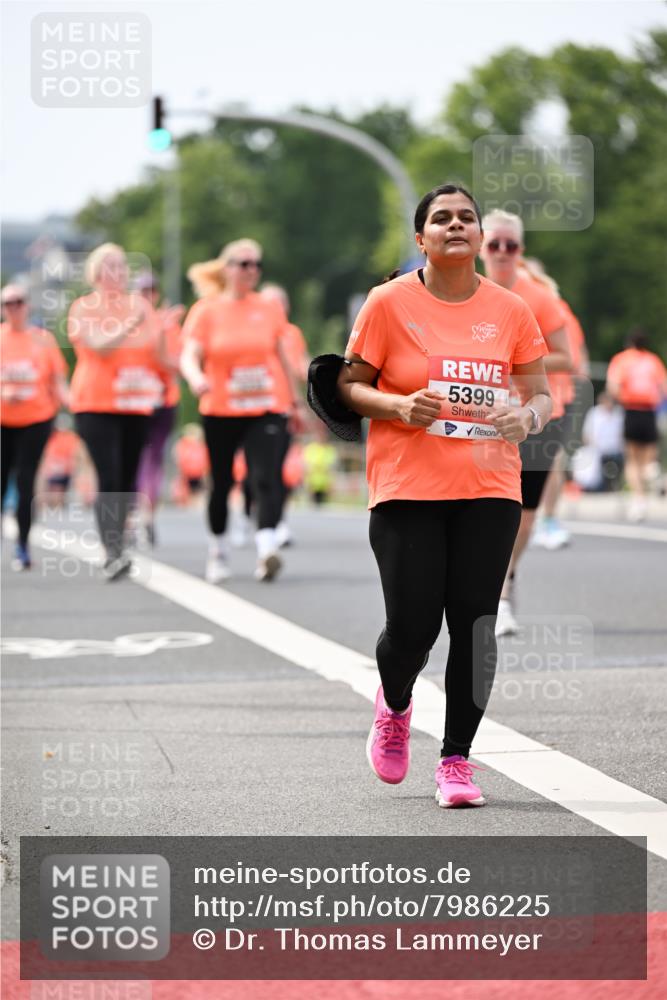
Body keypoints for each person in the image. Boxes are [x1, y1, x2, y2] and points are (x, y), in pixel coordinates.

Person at [337, 184, 551, 808]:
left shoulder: (511, 310)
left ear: (480, 236)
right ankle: (396, 703)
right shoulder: (387, 303)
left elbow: (540, 393)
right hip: (408, 489)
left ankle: (456, 761)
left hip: (489, 486)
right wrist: (398, 405)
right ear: (420, 237)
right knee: (411, 629)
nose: (455, 225)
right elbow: (349, 385)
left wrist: (528, 420)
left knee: (476, 626)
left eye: (466, 218)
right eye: (441, 218)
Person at [181, 238, 306, 583]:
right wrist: (195, 378)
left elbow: (283, 356)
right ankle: (218, 549)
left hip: (266, 405)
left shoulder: (269, 308)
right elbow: (189, 354)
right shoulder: (206, 310)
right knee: (221, 482)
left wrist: (295, 402)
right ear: (227, 268)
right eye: (244, 264)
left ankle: (266, 550)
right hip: (220, 407)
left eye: (257, 265)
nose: (252, 271)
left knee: (266, 477)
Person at [479, 211, 572, 635]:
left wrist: (515, 359)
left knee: (525, 515)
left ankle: (504, 583)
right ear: (481, 247)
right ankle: (487, 591)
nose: (502, 253)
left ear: (521, 251)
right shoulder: (465, 292)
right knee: (487, 506)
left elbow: (568, 358)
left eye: (510, 246)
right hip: (482, 415)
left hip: (536, 413)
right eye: (494, 244)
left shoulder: (538, 297)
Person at [67, 244, 167, 580]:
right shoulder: (83, 308)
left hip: (135, 405)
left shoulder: (140, 306)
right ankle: (112, 550)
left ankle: (119, 543)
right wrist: (129, 323)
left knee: (126, 478)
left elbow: (161, 356)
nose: (118, 271)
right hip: (95, 405)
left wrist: (170, 338)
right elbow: (98, 346)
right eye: (110, 266)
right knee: (108, 476)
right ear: (95, 273)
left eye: (122, 265)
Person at [1, 283, 69, 569]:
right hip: (3, 420)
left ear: (28, 305)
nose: (13, 308)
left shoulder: (43, 340)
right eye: (7, 303)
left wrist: (76, 403)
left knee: (26, 481)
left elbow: (58, 382)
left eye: (18, 302)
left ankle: (23, 546)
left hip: (37, 419)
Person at [134, 271, 185, 545]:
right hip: (128, 402)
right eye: (142, 292)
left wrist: (163, 333)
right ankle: (133, 515)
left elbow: (176, 364)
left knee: (152, 460)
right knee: (130, 459)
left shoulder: (169, 327)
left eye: (151, 291)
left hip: (161, 401)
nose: (147, 297)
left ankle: (147, 516)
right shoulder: (126, 326)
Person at [606, 329, 667, 521]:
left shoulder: (622, 360)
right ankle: (652, 472)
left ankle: (639, 500)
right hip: (649, 411)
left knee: (632, 460)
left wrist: (620, 399)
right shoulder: (653, 360)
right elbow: (664, 387)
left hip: (631, 409)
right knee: (648, 456)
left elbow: (613, 387)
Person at [580, 391, 624, 492]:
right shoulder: (594, 414)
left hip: (615, 449)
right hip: (597, 449)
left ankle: (615, 484)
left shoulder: (618, 413)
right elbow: (587, 434)